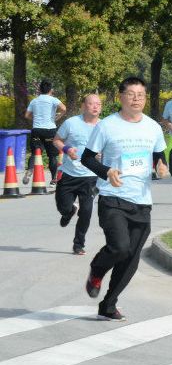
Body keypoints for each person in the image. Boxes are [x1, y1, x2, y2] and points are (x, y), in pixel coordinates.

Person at [81, 76, 167, 321]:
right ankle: (97, 268)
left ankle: (108, 304)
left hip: (141, 200)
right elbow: (87, 158)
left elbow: (159, 156)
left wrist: (162, 167)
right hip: (112, 197)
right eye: (131, 94)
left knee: (131, 258)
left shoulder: (153, 127)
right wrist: (106, 171)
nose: (136, 99)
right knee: (119, 247)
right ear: (121, 97)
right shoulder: (106, 126)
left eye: (141, 94)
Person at [52, 94, 102, 255]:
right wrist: (67, 149)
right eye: (91, 104)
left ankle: (78, 244)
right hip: (69, 173)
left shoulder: (104, 126)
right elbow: (57, 140)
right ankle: (69, 212)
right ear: (83, 106)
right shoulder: (71, 123)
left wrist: (104, 155)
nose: (95, 107)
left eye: (98, 104)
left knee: (86, 212)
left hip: (90, 176)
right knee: (63, 207)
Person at [24, 81, 66, 185]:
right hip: (50, 130)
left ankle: (29, 171)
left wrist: (35, 119)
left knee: (35, 152)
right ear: (51, 90)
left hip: (37, 130)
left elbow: (27, 115)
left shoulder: (34, 101)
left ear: (39, 90)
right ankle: (53, 179)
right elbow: (64, 109)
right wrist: (57, 118)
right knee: (52, 156)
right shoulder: (53, 100)